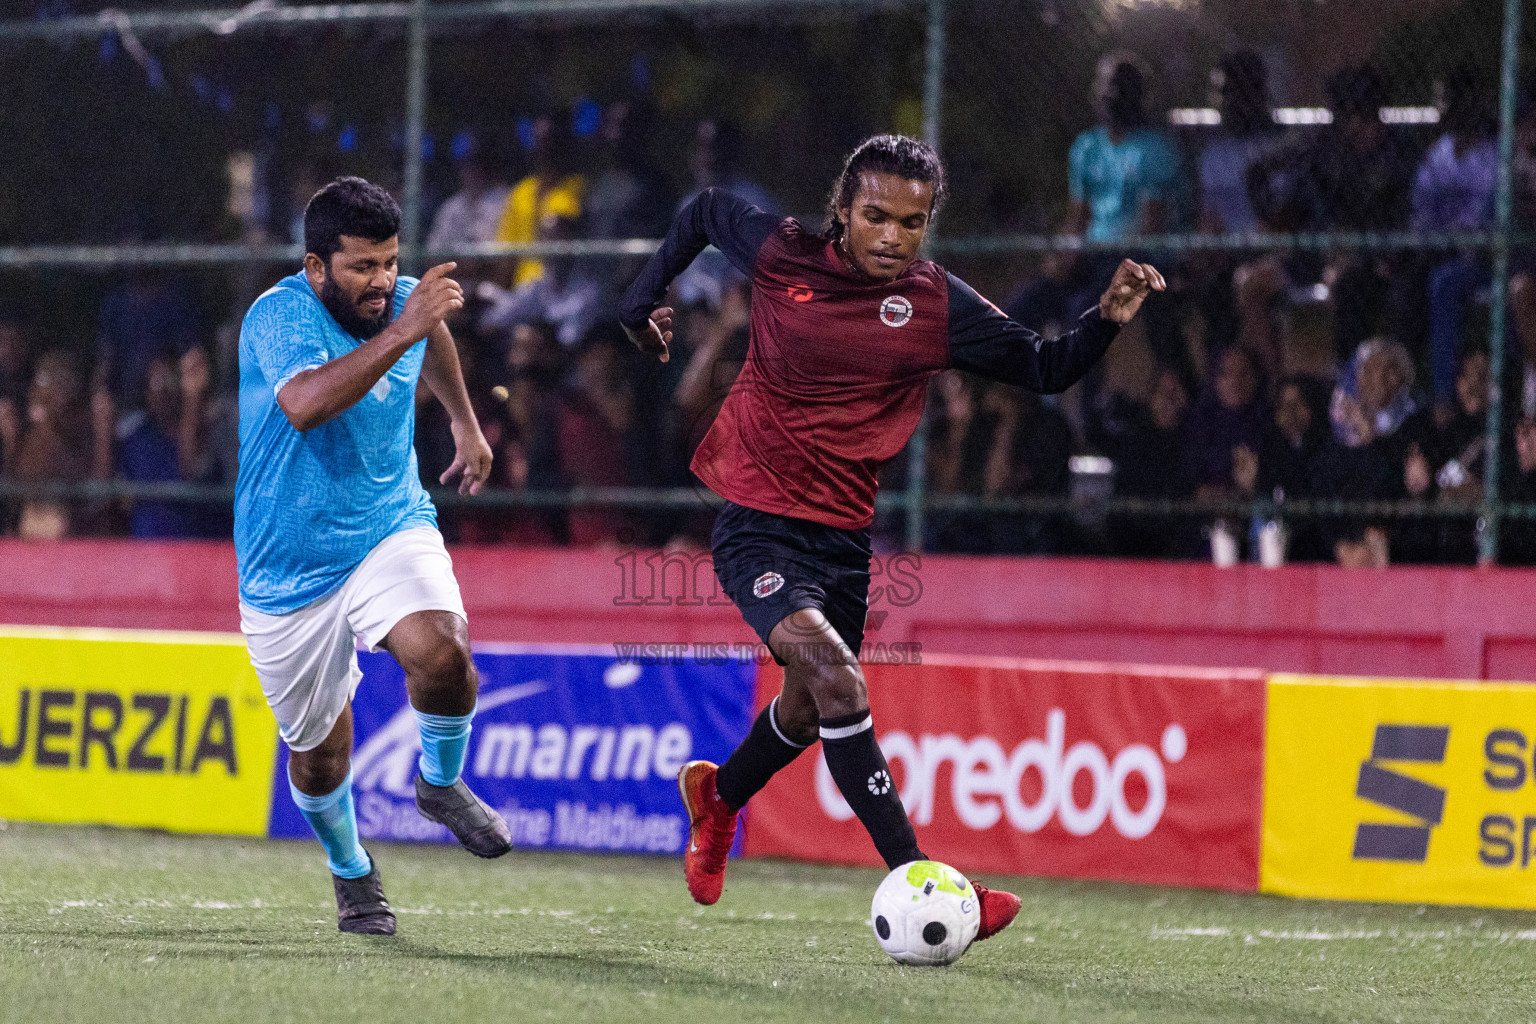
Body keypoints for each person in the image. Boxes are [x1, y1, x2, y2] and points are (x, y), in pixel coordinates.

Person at [619, 134, 1164, 940]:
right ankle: (933, 886)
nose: (890, 237)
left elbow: (1045, 369)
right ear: (842, 211)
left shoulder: (936, 304)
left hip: (843, 543)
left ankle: (720, 797)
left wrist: (1107, 318)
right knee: (840, 684)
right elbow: (701, 212)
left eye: (911, 224)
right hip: (757, 527)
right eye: (875, 216)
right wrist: (639, 301)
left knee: (807, 712)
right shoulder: (782, 255)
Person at [235, 177, 508, 937]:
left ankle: (440, 784)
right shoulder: (278, 315)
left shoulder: (400, 302)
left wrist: (464, 423)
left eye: (390, 263)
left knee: (446, 654)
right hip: (286, 567)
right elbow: (305, 404)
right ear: (317, 266)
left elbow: (433, 334)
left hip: (388, 524)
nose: (383, 281)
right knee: (321, 759)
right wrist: (403, 331)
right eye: (362, 267)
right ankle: (352, 870)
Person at [492, 113, 586, 288]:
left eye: (550, 141)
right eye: (538, 141)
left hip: (563, 288)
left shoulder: (578, 187)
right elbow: (505, 259)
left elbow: (566, 238)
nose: (544, 150)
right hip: (523, 290)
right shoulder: (520, 192)